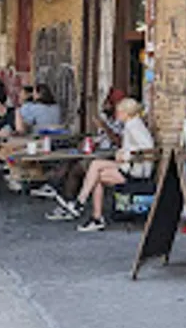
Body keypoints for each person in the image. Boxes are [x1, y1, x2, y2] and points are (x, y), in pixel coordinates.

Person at [46, 99, 155, 232]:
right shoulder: (131, 124)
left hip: (135, 170)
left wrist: (126, 155)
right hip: (130, 167)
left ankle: (81, 203)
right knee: (96, 174)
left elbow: (148, 148)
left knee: (96, 165)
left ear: (127, 113)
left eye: (119, 111)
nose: (117, 114)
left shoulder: (134, 126)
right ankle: (95, 217)